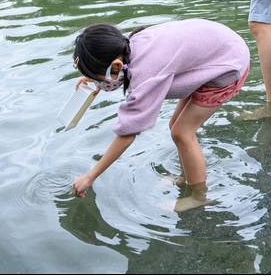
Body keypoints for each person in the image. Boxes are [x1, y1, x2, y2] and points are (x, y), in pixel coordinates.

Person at [71, 19, 250, 212]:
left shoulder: (145, 71)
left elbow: (127, 134)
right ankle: (186, 178)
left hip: (228, 66)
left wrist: (90, 176)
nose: (100, 82)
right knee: (175, 126)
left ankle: (199, 196)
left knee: (182, 133)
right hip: (219, 50)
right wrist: (95, 81)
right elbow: (119, 73)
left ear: (115, 65)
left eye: (98, 77)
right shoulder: (131, 45)